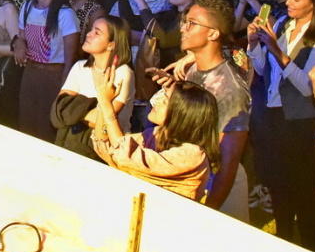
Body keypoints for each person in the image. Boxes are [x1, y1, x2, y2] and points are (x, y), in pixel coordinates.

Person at [249, 0, 315, 248]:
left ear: (314, 3)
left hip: (301, 121)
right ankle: (282, 240)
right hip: (275, 115)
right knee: (278, 188)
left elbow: (307, 86)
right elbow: (265, 70)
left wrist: (277, 50)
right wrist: (255, 45)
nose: (288, 2)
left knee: (302, 194)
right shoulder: (285, 23)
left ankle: (307, 244)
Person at [159, 0, 252, 220]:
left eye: (192, 23)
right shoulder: (191, 71)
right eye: (184, 21)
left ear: (213, 34)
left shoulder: (231, 88)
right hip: (191, 177)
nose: (183, 28)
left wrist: (207, 212)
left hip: (219, 189)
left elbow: (228, 158)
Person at [91, 72, 220, 201]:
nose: (156, 102)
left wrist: (107, 105)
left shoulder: (193, 155)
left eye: (164, 101)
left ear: (181, 114)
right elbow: (106, 147)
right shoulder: (153, 135)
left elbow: (127, 156)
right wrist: (102, 105)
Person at [15, 0, 80, 140]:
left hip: (53, 76)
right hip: (31, 73)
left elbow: (70, 57)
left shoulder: (65, 14)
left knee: (46, 128)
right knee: (27, 124)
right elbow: (21, 35)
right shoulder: (27, 7)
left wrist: (64, 87)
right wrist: (19, 44)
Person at [55, 15, 133, 156]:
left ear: (112, 44)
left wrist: (74, 111)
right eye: (91, 30)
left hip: (109, 149)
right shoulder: (79, 67)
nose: (89, 34)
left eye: (97, 32)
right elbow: (60, 109)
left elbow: (104, 121)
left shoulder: (123, 73)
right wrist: (93, 111)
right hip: (72, 142)